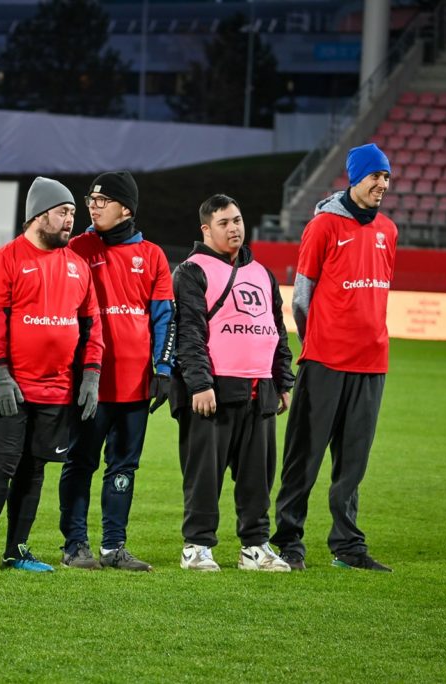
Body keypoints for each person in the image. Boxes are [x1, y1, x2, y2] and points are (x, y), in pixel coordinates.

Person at [0, 176, 103, 573]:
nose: (70, 220)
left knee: (34, 467)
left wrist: (91, 375)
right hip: (6, 384)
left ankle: (16, 550)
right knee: (0, 463)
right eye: (62, 212)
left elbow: (91, 326)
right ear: (38, 215)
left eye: (72, 213)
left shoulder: (77, 266)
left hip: (56, 387)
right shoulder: (5, 260)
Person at [271, 143, 397, 572]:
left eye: (386, 177)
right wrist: (317, 343)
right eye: (375, 176)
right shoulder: (323, 225)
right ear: (356, 177)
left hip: (372, 363)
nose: (382, 184)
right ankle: (288, 542)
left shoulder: (388, 231)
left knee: (353, 463)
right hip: (325, 361)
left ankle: (348, 546)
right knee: (303, 458)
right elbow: (302, 297)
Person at [171, 193, 294, 572]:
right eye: (223, 223)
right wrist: (199, 384)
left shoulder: (262, 273)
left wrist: (283, 381)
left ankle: (255, 547)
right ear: (206, 229)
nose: (233, 228)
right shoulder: (191, 271)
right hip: (213, 392)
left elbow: (277, 330)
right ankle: (197, 547)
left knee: (258, 478)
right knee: (204, 477)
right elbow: (188, 333)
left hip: (260, 391)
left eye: (237, 220)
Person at [58, 171, 174, 572]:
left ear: (126, 208)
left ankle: (113, 547)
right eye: (90, 199)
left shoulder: (153, 256)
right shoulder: (77, 248)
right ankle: (75, 545)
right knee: (80, 463)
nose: (93, 206)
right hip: (88, 382)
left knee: (123, 467)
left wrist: (163, 368)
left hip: (135, 385)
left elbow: (164, 317)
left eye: (102, 200)